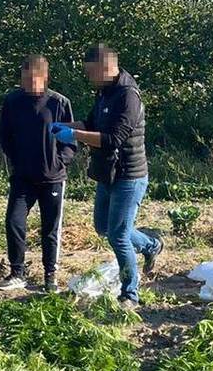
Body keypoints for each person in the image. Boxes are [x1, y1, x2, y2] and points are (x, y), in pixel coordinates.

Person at [51, 44, 162, 309]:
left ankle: (130, 294)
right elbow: (90, 125)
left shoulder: (128, 96)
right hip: (107, 173)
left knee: (118, 236)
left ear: (106, 67)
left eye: (91, 72)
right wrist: (61, 127)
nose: (89, 78)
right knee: (103, 227)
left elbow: (113, 138)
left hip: (129, 176)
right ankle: (151, 245)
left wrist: (74, 136)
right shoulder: (105, 93)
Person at [0, 55, 76, 293]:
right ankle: (17, 272)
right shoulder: (13, 101)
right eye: (24, 78)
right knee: (14, 221)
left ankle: (50, 275)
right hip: (23, 177)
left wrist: (60, 161)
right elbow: (4, 135)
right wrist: (16, 159)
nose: (28, 83)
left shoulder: (59, 103)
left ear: (44, 77)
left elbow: (71, 140)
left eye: (33, 79)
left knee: (50, 228)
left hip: (52, 178)